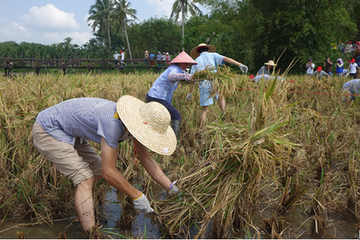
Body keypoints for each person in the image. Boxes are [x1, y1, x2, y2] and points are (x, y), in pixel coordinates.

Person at [32, 96, 179, 235]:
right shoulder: (113, 123)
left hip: (70, 131)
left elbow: (146, 160)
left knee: (95, 169)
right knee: (85, 179)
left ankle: (81, 211)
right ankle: (91, 234)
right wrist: (137, 195)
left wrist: (171, 188)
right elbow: (108, 172)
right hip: (48, 129)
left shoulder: (137, 125)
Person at [187, 43, 248, 126]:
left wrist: (189, 92)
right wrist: (239, 64)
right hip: (215, 81)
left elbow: (193, 78)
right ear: (208, 50)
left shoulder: (196, 61)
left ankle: (201, 129)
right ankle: (223, 112)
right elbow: (226, 59)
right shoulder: (213, 55)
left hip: (204, 84)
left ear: (198, 52)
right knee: (221, 96)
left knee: (204, 110)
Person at [146, 51, 197, 140]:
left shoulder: (179, 70)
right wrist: (185, 76)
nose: (186, 65)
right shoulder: (174, 68)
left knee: (160, 118)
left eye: (187, 63)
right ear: (179, 63)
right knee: (176, 116)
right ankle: (174, 141)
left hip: (156, 97)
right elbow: (171, 76)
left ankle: (155, 138)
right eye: (184, 63)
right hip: (156, 97)